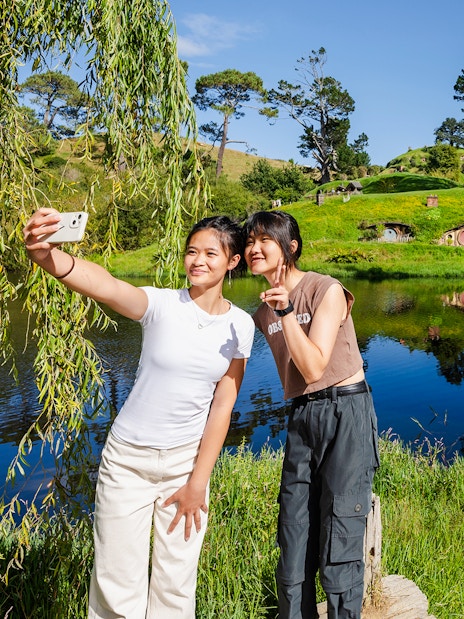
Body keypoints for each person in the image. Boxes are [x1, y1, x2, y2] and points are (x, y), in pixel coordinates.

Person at [23, 208, 255, 619]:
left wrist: (198, 480)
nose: (197, 261)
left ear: (233, 261)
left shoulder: (240, 324)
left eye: (210, 254)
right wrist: (47, 257)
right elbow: (106, 286)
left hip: (186, 461)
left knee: (176, 581)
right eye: (191, 251)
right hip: (128, 459)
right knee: (117, 580)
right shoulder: (161, 305)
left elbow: (224, 403)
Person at [243, 210, 379, 619]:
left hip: (345, 411)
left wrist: (286, 314)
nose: (254, 248)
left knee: (340, 532)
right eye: (249, 242)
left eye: (264, 240)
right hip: (302, 416)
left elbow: (315, 367)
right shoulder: (262, 311)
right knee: (294, 531)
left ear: (291, 246)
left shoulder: (326, 289)